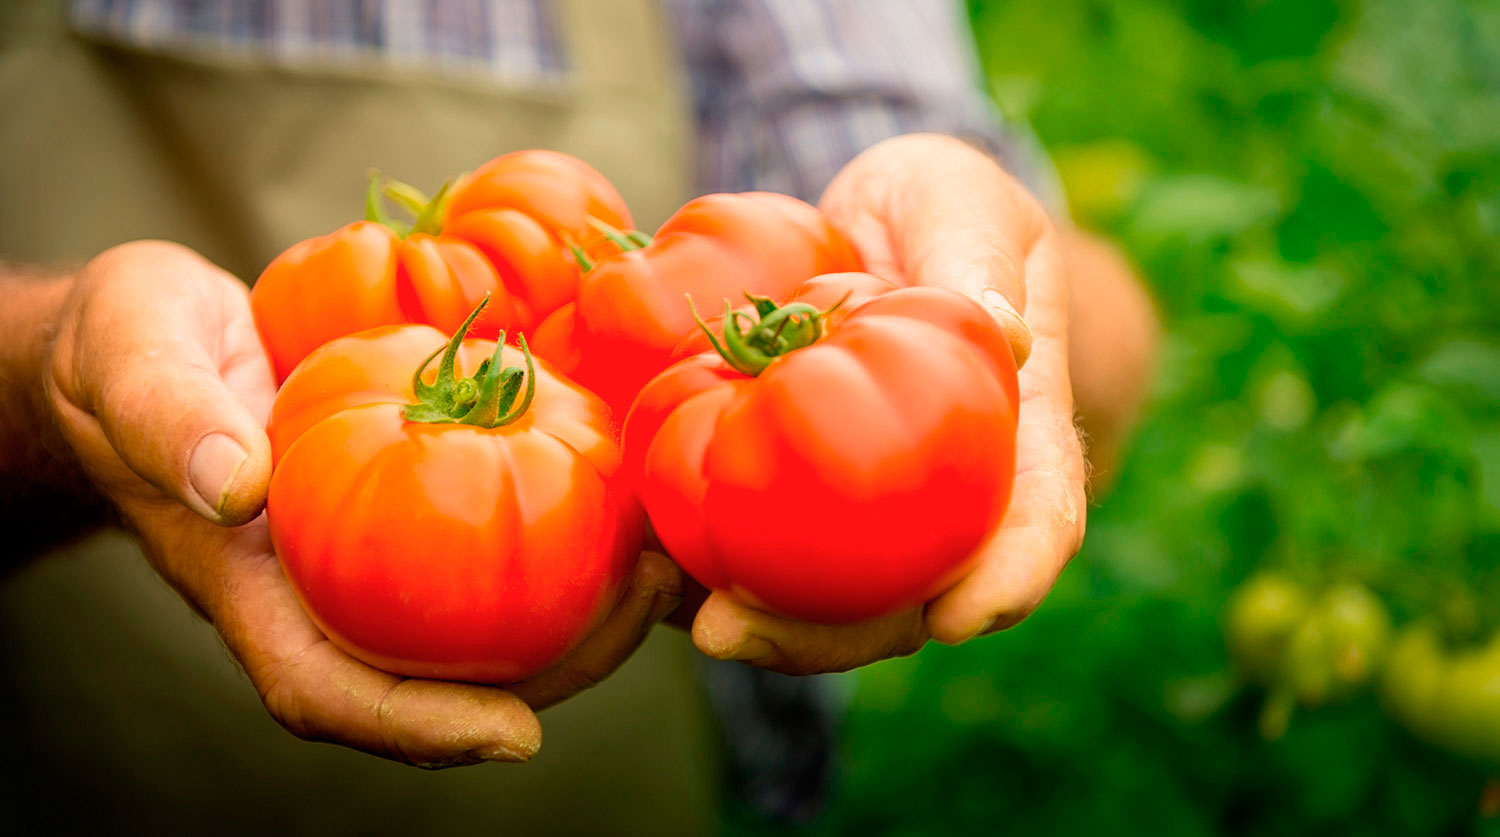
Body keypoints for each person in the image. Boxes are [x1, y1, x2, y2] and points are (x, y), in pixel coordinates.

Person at [0, 0, 1157, 831]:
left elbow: (972, 284)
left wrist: (1009, 294)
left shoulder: (662, 404)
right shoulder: (617, 416)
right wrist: (43, 372)